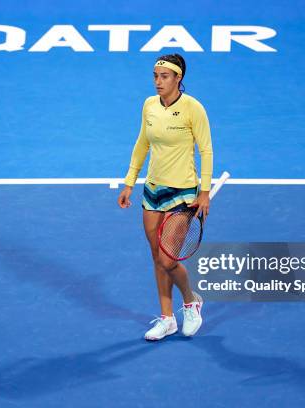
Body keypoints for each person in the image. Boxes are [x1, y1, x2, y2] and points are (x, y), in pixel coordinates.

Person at [117, 54, 213, 341]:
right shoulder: (149, 105)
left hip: (183, 193)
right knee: (156, 258)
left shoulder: (192, 108)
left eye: (165, 76)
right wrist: (129, 183)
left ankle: (191, 300)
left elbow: (206, 150)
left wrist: (205, 192)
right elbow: (142, 143)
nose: (158, 81)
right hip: (153, 191)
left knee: (168, 260)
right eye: (155, 76)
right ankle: (167, 318)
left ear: (178, 78)